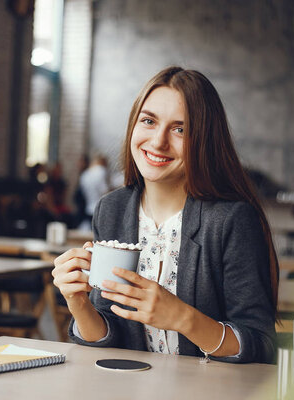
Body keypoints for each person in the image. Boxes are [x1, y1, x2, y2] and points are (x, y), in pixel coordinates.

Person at [52, 67, 278, 363]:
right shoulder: (112, 209)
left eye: (180, 129)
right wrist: (78, 303)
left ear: (204, 141)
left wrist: (183, 318)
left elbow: (260, 343)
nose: (158, 142)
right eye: (148, 121)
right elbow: (111, 334)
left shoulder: (231, 219)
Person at [77, 154, 110, 230]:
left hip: (89, 207)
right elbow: (105, 191)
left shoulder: (85, 174)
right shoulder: (101, 171)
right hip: (100, 208)